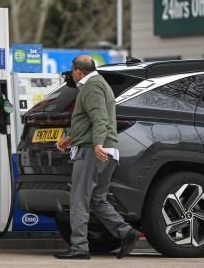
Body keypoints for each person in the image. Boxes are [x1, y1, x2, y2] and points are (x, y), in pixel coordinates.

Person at [54, 55, 139, 260]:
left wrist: (97, 143)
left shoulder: (91, 85)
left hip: (94, 151)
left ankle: (79, 248)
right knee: (96, 199)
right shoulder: (98, 83)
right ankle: (126, 233)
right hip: (106, 150)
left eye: (72, 71)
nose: (72, 75)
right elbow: (91, 120)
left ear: (77, 70)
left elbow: (99, 117)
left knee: (79, 199)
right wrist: (70, 138)